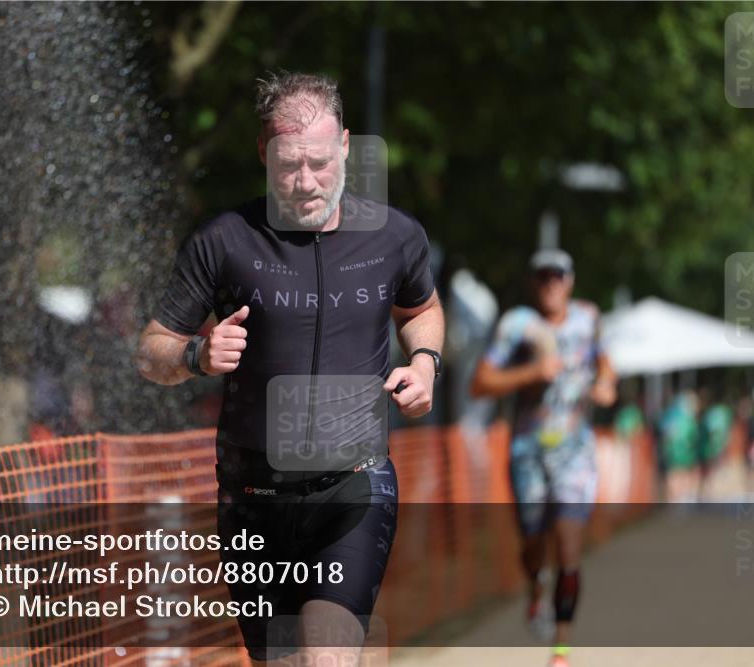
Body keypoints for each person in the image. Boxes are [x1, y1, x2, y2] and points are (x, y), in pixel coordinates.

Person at [136, 71, 444, 666]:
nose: (305, 183)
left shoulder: (394, 236)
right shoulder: (223, 241)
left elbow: (422, 309)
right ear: (262, 152)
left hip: (353, 487)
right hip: (253, 499)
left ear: (347, 145)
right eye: (288, 166)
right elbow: (152, 351)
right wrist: (196, 355)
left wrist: (426, 364)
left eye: (321, 163)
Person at [470, 249, 616, 667]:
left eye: (558, 276)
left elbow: (606, 365)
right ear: (533, 283)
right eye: (543, 277)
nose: (550, 284)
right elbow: (480, 383)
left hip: (574, 453)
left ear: (570, 281)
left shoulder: (588, 318)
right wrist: (531, 373)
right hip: (527, 452)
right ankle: (536, 587)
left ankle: (561, 649)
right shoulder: (517, 325)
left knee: (569, 547)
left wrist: (606, 383)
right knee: (532, 542)